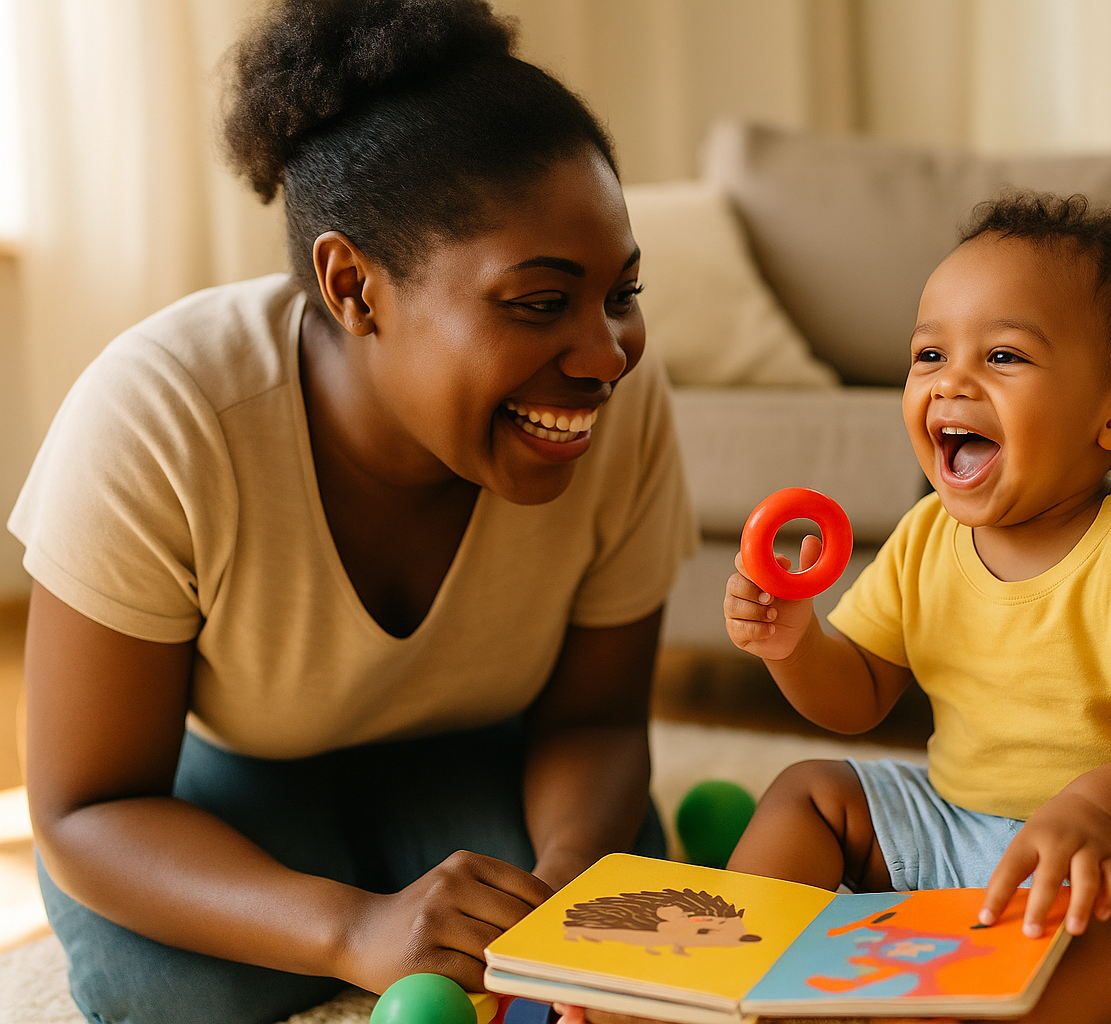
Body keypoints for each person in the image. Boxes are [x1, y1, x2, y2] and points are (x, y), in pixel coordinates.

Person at [6, 2, 696, 1022]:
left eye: (620, 294)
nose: (606, 356)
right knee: (178, 988)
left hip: (477, 747)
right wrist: (350, 929)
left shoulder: (617, 409)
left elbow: (594, 718)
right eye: (541, 303)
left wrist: (566, 889)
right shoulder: (161, 416)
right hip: (244, 768)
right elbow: (84, 806)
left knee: (624, 886)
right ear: (353, 286)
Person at [720, 192, 1111, 1024]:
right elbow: (858, 695)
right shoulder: (924, 537)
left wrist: (1098, 810)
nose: (950, 382)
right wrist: (796, 645)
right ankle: (724, 975)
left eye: (1003, 356)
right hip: (953, 825)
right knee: (810, 791)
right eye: (930, 353)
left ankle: (1016, 1008)